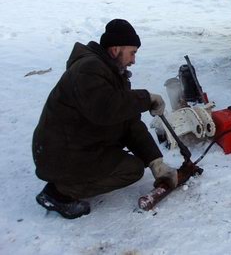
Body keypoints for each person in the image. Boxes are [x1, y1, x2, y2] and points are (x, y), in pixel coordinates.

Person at [32, 19, 178, 219]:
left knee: (134, 162)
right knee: (131, 170)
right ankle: (59, 193)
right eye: (132, 52)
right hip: (60, 153)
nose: (134, 60)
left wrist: (156, 162)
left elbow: (128, 122)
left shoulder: (110, 73)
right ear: (115, 48)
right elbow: (106, 109)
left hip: (78, 146)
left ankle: (69, 181)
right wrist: (146, 98)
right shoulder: (88, 69)